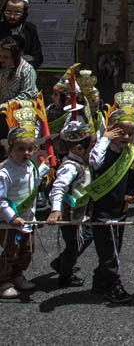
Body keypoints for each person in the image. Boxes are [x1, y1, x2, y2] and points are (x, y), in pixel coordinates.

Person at [88, 88, 134, 303]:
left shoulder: (130, 154)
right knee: (110, 254)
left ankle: (100, 281)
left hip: (120, 209)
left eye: (129, 133)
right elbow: (94, 162)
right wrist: (104, 138)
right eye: (120, 133)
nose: (125, 137)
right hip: (102, 210)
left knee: (114, 249)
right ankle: (112, 285)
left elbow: (133, 178)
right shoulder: (104, 150)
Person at [0, 102, 51, 299]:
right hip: (9, 223)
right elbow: (1, 199)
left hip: (28, 219)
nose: (27, 153)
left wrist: (44, 169)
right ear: (10, 149)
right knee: (7, 253)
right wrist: (11, 217)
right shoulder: (5, 172)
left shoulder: (31, 166)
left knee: (26, 250)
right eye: (21, 149)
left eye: (30, 149)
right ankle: (3, 281)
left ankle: (18, 274)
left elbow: (34, 183)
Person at [47, 114, 95, 287]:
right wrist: (55, 209)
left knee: (87, 237)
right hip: (71, 215)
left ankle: (62, 262)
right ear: (79, 148)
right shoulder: (69, 167)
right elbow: (58, 188)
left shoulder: (83, 163)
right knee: (75, 245)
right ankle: (65, 274)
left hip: (82, 213)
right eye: (91, 147)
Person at [0, 0, 42, 69]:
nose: (12, 17)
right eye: (8, 12)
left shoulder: (30, 29)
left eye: (17, 13)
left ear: (25, 13)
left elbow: (37, 58)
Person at [0, 38, 38, 118]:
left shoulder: (27, 70)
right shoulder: (3, 67)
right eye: (0, 56)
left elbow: (27, 95)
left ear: (15, 56)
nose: (1, 59)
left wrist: (6, 105)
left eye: (6, 57)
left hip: (21, 116)